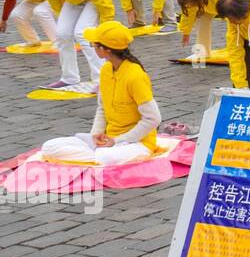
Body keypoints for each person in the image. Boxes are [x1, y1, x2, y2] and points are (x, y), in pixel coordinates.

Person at [41, 21, 162, 165]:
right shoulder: (106, 70)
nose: (92, 47)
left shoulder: (135, 76)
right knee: (49, 147)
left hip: (137, 143)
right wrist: (96, 135)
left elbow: (153, 119)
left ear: (106, 50)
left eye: (94, 44)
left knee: (105, 157)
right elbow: (102, 108)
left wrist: (118, 141)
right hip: (109, 140)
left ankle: (97, 155)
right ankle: (95, 153)